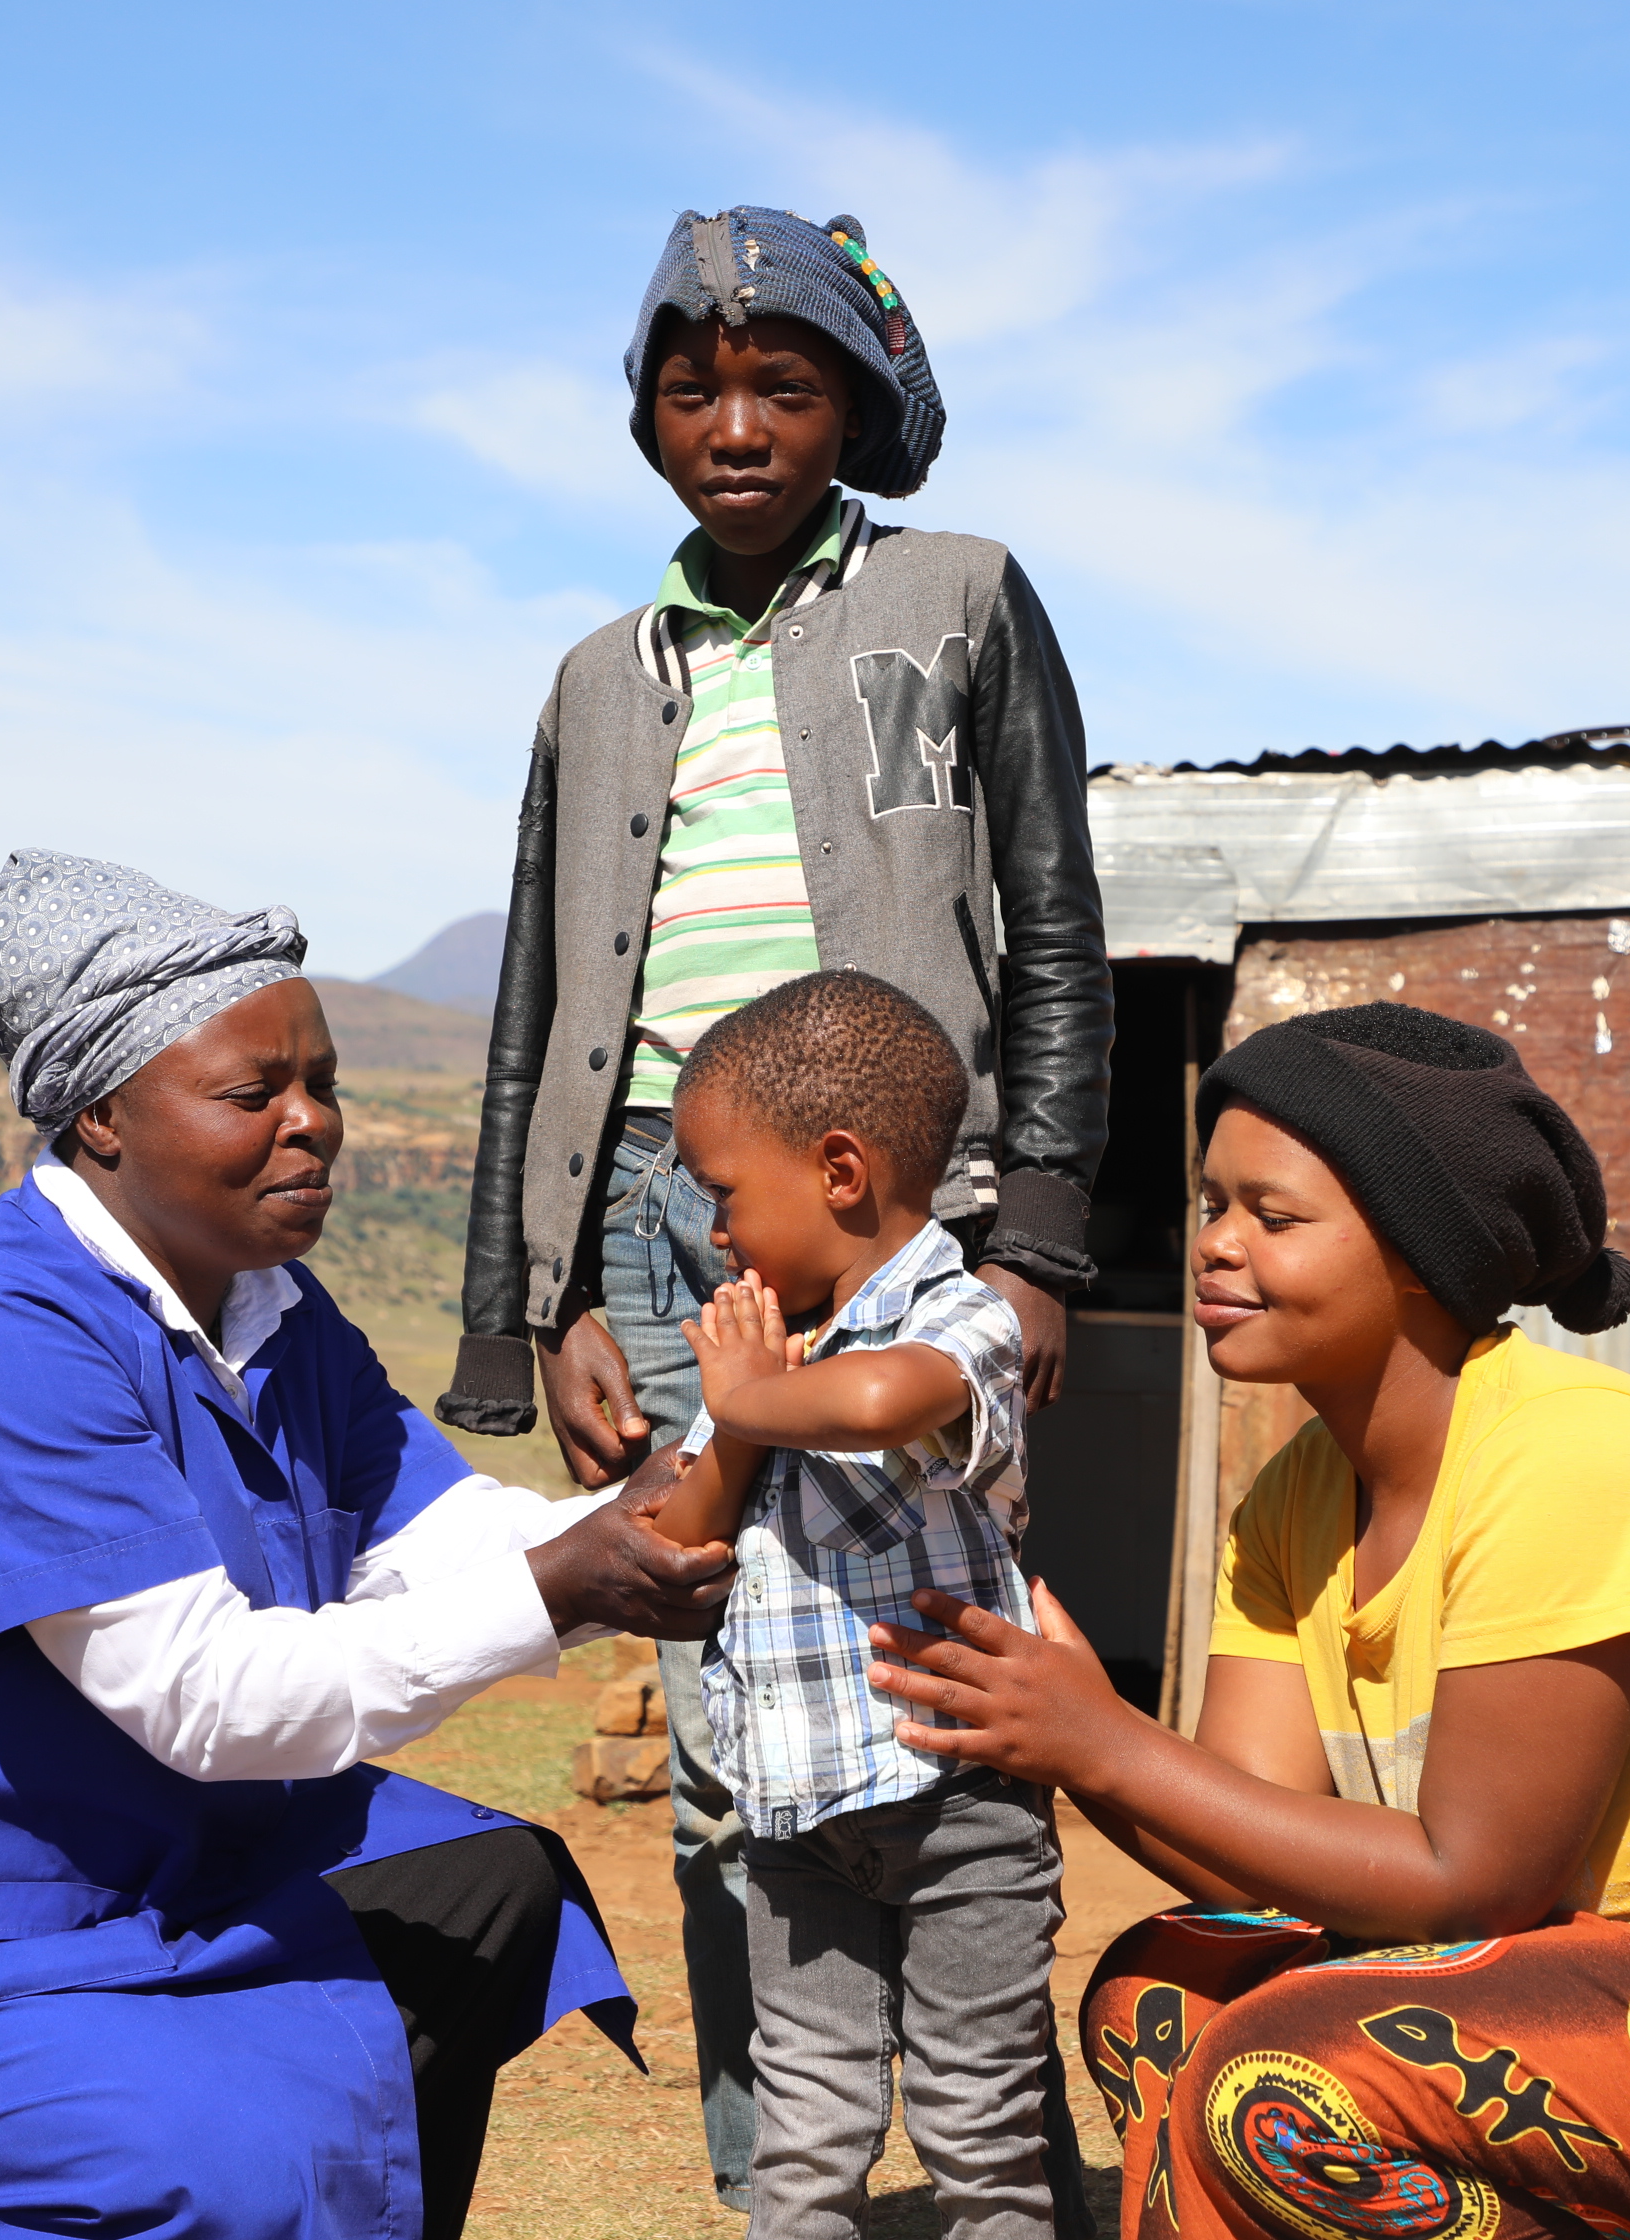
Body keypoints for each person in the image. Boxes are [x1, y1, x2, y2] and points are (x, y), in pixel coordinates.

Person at [0, 851, 735, 2240]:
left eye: (323, 1082)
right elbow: (215, 1702)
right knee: (236, 2158)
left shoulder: (279, 1317)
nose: (314, 1123)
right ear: (101, 1112)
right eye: (253, 1092)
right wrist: (565, 1582)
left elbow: (464, 1544)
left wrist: (718, 1471)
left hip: (98, 1884)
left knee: (488, 1895)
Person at [859, 1004, 1630, 2239]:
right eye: (1212, 1202)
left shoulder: (1565, 1458)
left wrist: (1102, 1742)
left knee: (1281, 2072)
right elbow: (1250, 1843)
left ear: (1416, 1251)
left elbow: (1472, 1882)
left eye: (1272, 1216)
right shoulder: (1292, 1501)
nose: (1216, 1246)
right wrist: (1072, 1733)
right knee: (1157, 1994)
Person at [434, 205, 1113, 2215]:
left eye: (784, 384)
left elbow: (1061, 923)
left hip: (912, 1217)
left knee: (947, 1657)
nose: (736, 421)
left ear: (856, 406)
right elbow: (541, 1010)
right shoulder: (596, 676)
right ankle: (780, 2188)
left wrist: (1046, 1236)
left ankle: (1008, 2180)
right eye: (693, 382)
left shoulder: (960, 598)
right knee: (722, 1689)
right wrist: (552, 1291)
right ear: (643, 410)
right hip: (663, 1230)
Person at [642, 969, 1067, 2239]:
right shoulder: (774, 1357)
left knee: (977, 2117)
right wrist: (737, 1414)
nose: (714, 1230)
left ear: (838, 1170)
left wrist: (743, 1398)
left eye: (723, 1192)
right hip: (794, 1810)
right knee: (808, 2115)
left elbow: (886, 1404)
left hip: (958, 1805)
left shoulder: (959, 1314)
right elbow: (680, 1537)